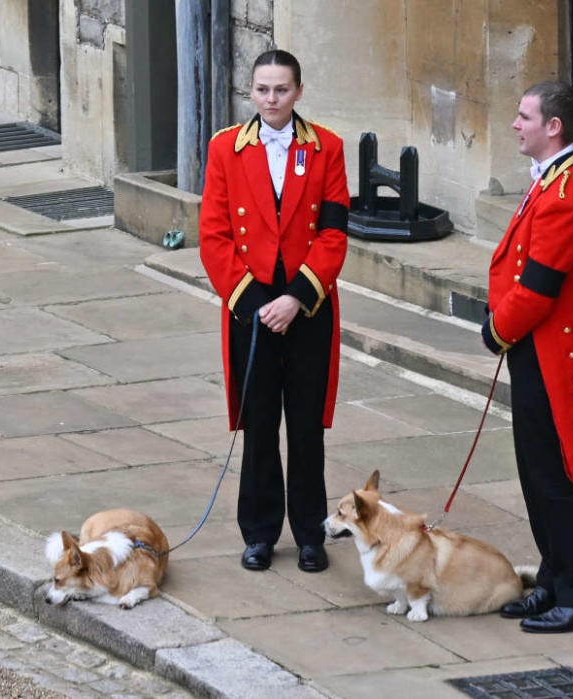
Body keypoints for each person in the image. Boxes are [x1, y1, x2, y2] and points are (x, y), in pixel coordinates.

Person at [199, 49, 349, 573]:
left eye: (281, 90)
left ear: (299, 91)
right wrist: (255, 302)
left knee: (306, 426)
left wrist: (297, 299)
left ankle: (311, 534)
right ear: (252, 92)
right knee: (259, 423)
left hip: (307, 306)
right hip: (251, 307)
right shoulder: (224, 148)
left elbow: (333, 234)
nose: (271, 99)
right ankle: (260, 533)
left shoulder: (327, 147)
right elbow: (214, 237)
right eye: (262, 89)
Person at [480, 81, 573, 633]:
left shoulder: (565, 193)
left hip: (556, 354)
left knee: (560, 478)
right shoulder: (552, 180)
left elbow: (537, 288)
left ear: (552, 126)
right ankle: (556, 579)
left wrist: (496, 331)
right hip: (537, 348)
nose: (515, 124)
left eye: (523, 116)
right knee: (537, 473)